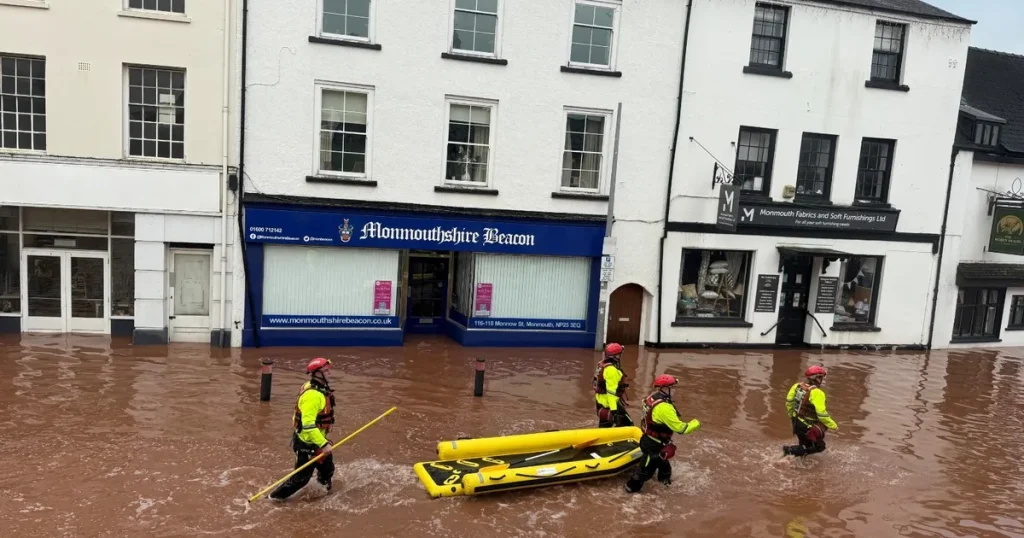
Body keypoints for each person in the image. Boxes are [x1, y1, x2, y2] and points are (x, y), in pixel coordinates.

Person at [269, 357, 337, 501]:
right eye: (326, 371)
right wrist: (324, 444)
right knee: (300, 479)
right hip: (307, 443)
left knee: (327, 469)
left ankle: (323, 493)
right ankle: (274, 499)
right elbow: (308, 425)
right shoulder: (313, 395)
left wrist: (322, 442)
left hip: (317, 440)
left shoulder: (315, 386)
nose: (330, 373)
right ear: (317, 374)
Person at [624, 374, 701, 493]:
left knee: (665, 468)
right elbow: (681, 429)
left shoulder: (652, 397)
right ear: (665, 389)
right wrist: (696, 423)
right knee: (644, 472)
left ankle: (664, 488)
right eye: (672, 387)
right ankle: (628, 492)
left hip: (650, 439)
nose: (675, 390)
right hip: (653, 444)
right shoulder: (664, 407)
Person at [782, 365, 837, 458]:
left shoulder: (797, 386)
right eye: (821, 377)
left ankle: (795, 461)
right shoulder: (818, 393)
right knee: (820, 447)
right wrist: (833, 425)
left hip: (796, 422)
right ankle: (789, 451)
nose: (822, 380)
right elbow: (822, 414)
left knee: (804, 445)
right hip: (807, 426)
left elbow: (789, 403)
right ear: (817, 378)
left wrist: (792, 416)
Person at [593, 343, 631, 428]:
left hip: (600, 400)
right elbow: (611, 393)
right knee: (628, 424)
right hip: (609, 404)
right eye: (619, 354)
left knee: (605, 426)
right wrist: (614, 411)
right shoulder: (611, 370)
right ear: (616, 356)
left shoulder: (601, 364)